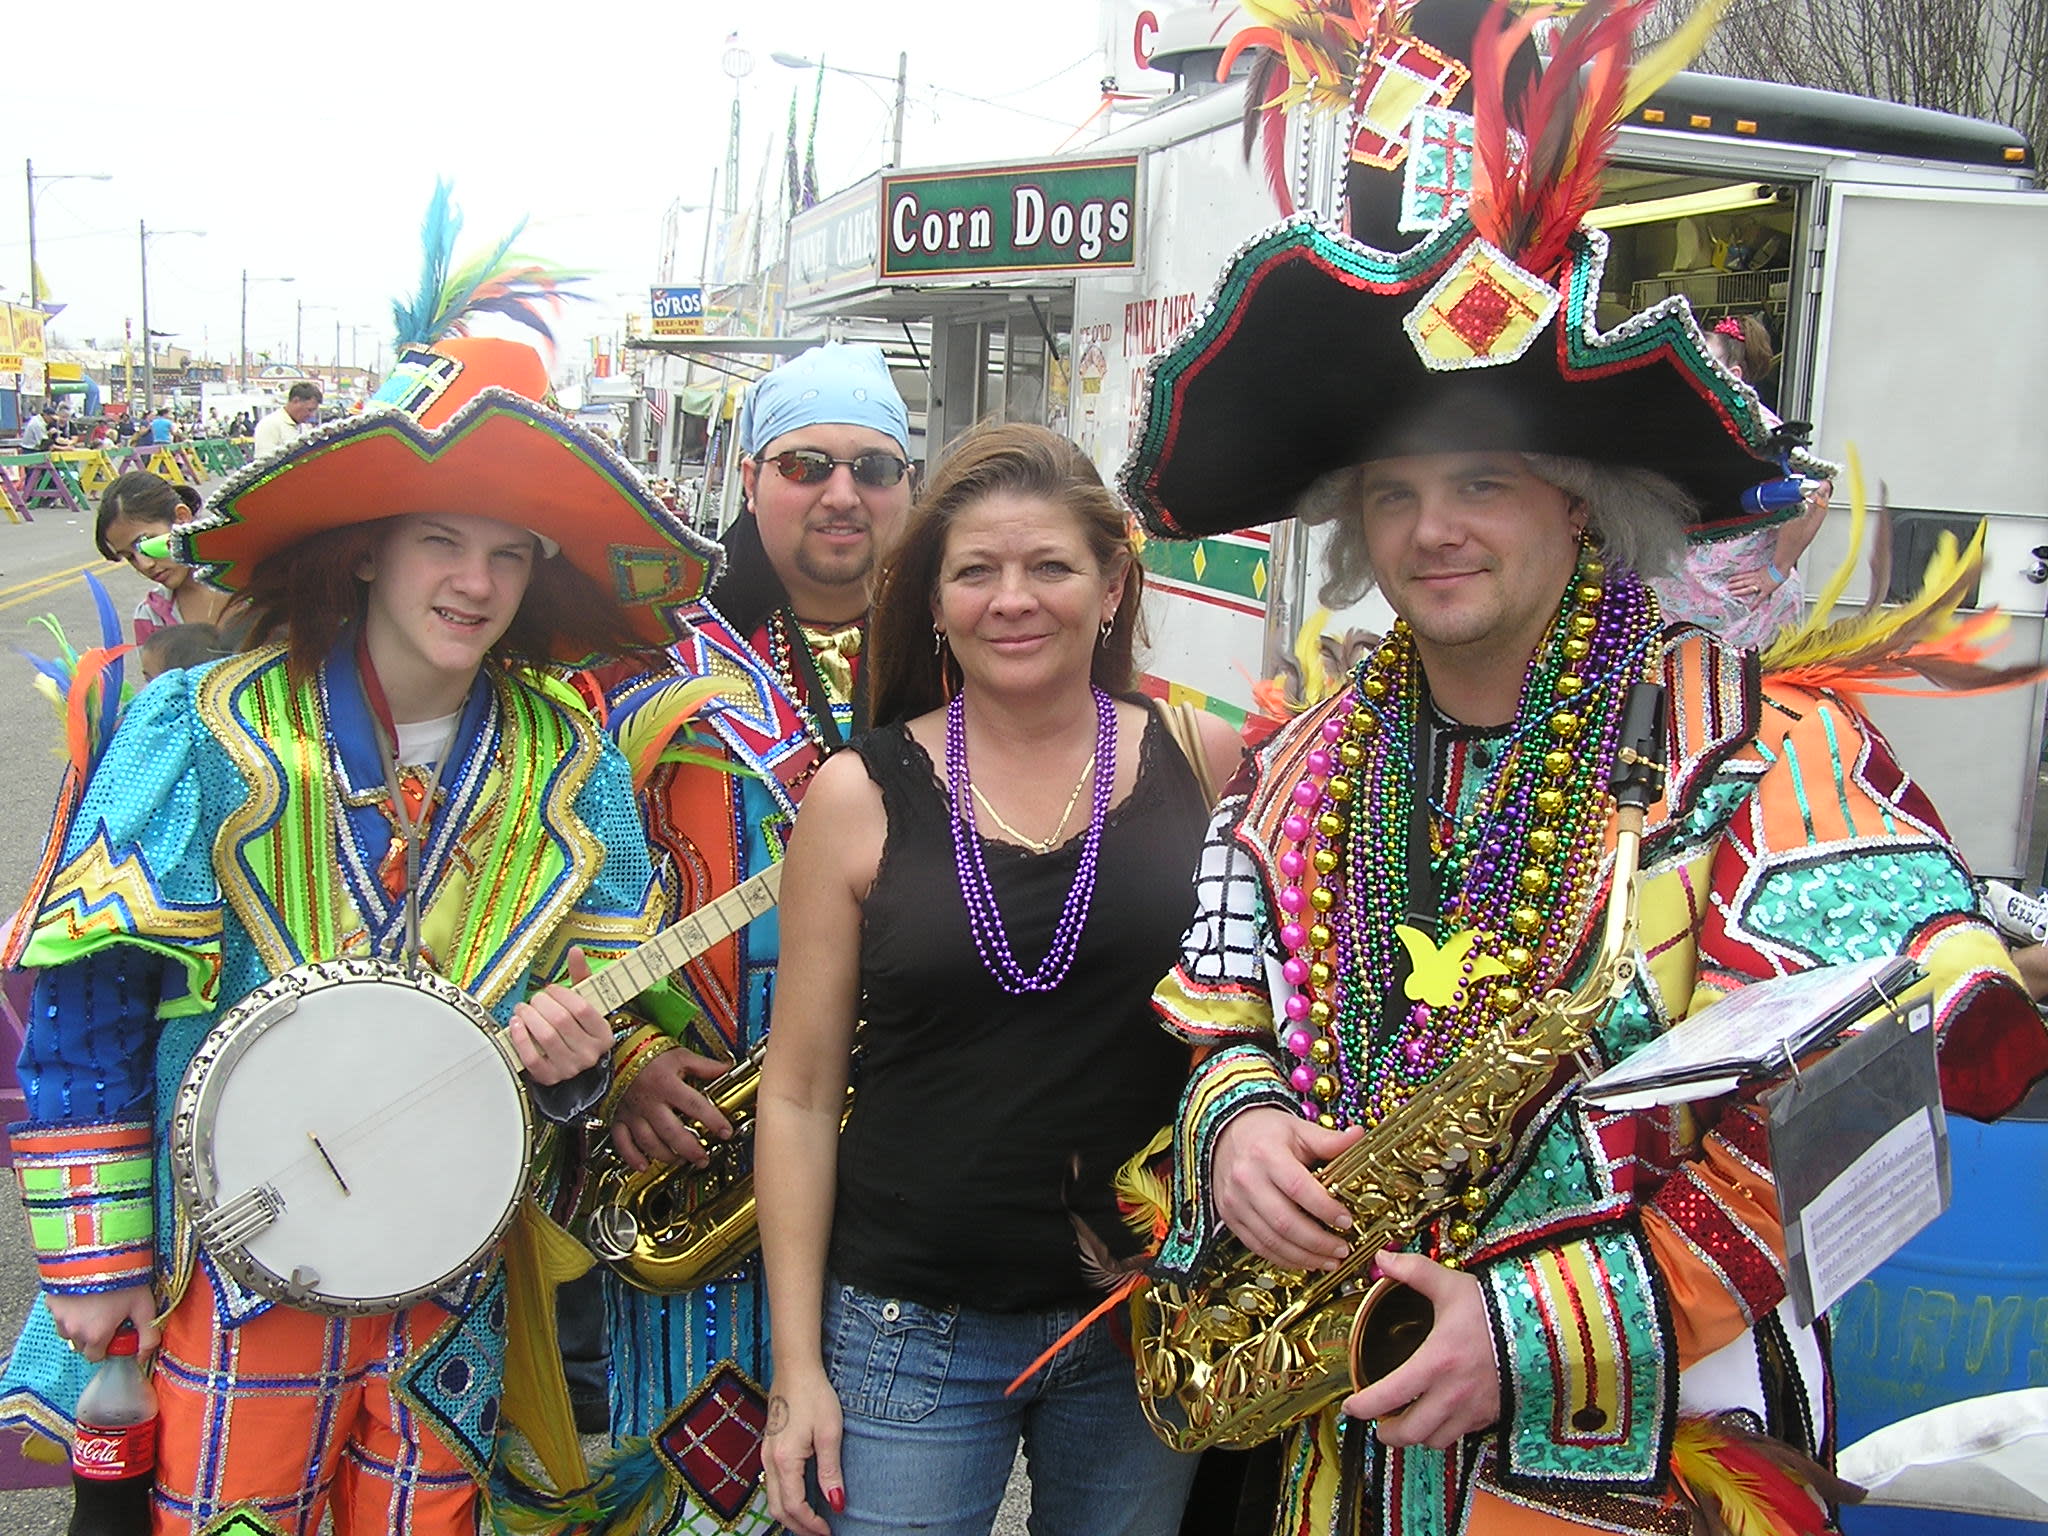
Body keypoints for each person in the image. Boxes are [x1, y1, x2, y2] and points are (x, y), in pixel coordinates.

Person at [1110, 8, 2048, 1532]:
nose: (1435, 531)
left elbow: (1889, 1092)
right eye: (1398, 494)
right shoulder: (1304, 761)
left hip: (1649, 1454)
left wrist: (1549, 1329)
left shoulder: (1755, 751)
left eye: (1486, 481)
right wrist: (1240, 1126)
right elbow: (1226, 1005)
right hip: (1335, 1451)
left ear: (1586, 507)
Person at [0, 331, 722, 1535]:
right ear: (372, 549)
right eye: (442, 538)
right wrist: (96, 1258)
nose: (475, 582)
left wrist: (580, 1064)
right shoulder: (207, 725)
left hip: (452, 1280)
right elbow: (91, 997)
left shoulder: (567, 758)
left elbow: (598, 1010)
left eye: (508, 552)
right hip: (237, 1270)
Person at [755, 423, 1242, 1536]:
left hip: (1144, 1317)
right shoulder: (855, 793)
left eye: (1050, 568)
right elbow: (795, 1093)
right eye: (974, 571)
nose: (1011, 599)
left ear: (1111, 587)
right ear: (931, 599)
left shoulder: (1206, 761)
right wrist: (797, 1371)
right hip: (903, 1325)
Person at [559, 342, 918, 1533]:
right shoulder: (642, 667)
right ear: (751, 478)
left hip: (910, 1146)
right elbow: (548, 895)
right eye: (807, 462)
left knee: (881, 1472)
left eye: (873, 466)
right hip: (703, 1141)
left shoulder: (964, 656)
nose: (840, 493)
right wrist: (621, 1061)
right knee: (704, 1485)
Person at [1648, 315, 1831, 648]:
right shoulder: (1681, 425)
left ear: (1732, 377)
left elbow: (1816, 491)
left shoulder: (1760, 429)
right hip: (1680, 613)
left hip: (1742, 616)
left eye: (1702, 364)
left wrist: (1777, 571)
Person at [94, 471, 235, 642]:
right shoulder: (150, 617)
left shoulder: (254, 581)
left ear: (182, 518)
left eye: (146, 543)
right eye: (130, 557)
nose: (145, 565)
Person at [253, 381, 323, 458]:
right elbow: (264, 460)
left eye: (314, 411)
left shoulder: (303, 428)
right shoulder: (270, 424)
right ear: (296, 401)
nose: (311, 415)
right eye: (309, 410)